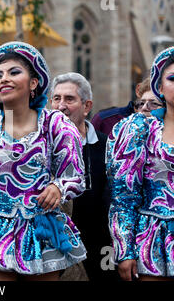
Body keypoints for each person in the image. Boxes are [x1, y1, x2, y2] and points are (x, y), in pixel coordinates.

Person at [0, 41, 87, 281]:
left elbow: (75, 177)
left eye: (14, 72)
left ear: (34, 83)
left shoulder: (55, 124)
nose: (4, 79)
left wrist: (58, 187)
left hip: (41, 232)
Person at [106, 45, 174, 281]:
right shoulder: (140, 130)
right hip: (153, 242)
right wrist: (124, 249)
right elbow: (124, 195)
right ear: (159, 88)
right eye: (173, 78)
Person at [50, 72, 114, 281]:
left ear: (87, 106)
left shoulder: (107, 147)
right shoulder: (40, 147)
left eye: (69, 99)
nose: (61, 106)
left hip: (100, 248)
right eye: (56, 99)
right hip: (57, 248)